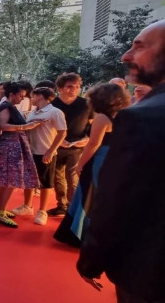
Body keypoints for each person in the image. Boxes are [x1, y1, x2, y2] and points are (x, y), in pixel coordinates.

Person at [78, 20, 165, 302]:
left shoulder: (144, 116)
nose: (126, 56)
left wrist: (92, 258)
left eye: (139, 47)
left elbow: (117, 199)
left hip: (149, 272)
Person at [54, 83, 129, 247]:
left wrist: (80, 164)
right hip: (114, 158)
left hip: (99, 158)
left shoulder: (102, 117)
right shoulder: (124, 115)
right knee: (99, 196)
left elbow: (93, 144)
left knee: (87, 193)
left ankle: (79, 234)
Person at [0, 82, 41, 228]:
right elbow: (3, 125)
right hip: (10, 146)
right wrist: (25, 127)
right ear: (12, 94)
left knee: (6, 179)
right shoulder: (6, 106)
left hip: (13, 145)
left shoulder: (7, 106)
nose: (22, 98)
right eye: (20, 95)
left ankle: (0, 209)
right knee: (10, 179)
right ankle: (0, 211)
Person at [48, 73, 92, 218]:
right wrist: (58, 140)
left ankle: (72, 211)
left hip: (78, 147)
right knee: (57, 177)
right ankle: (61, 205)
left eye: (77, 87)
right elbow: (47, 126)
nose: (73, 89)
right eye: (69, 86)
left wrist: (87, 138)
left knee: (72, 178)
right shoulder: (52, 105)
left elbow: (92, 125)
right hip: (56, 146)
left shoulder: (86, 104)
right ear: (60, 88)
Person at [23, 87, 67, 226]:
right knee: (28, 180)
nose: (31, 99)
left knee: (45, 182)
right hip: (31, 151)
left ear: (40, 96)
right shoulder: (32, 112)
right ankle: (27, 206)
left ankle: (42, 211)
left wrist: (50, 151)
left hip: (45, 151)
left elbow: (62, 133)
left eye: (33, 96)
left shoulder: (55, 112)